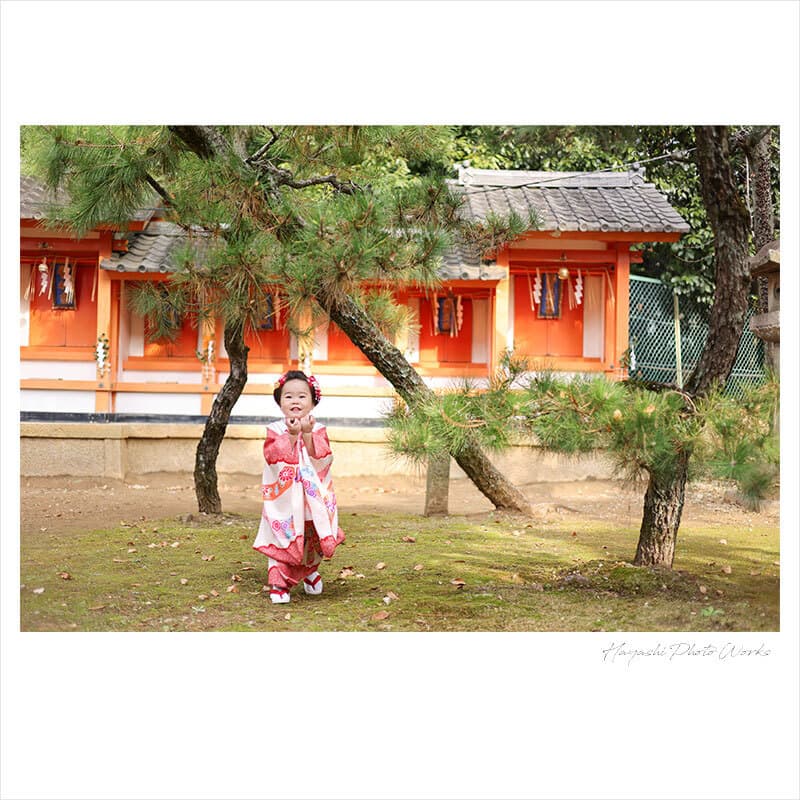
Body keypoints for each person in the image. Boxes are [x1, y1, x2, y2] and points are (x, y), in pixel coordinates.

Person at [252, 370, 345, 604]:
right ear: (279, 401)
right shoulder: (275, 429)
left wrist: (307, 434)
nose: (295, 401)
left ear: (313, 401)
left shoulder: (318, 427)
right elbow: (273, 457)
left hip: (312, 497)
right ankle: (279, 582)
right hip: (286, 497)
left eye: (302, 396)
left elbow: (323, 458)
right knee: (285, 534)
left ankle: (310, 571)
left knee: (312, 532)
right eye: (289, 396)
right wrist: (291, 436)